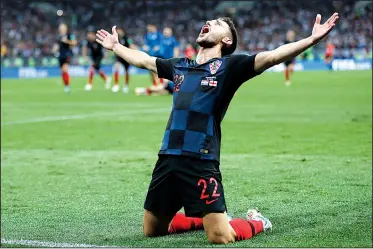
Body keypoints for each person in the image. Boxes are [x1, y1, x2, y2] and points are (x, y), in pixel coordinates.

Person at [96, 13, 339, 244]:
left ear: (227, 40)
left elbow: (273, 56)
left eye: (217, 23)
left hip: (200, 160)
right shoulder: (181, 66)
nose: (209, 22)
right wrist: (116, 47)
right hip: (168, 157)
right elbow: (144, 60)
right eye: (210, 21)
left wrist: (311, 39)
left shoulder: (230, 68)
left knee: (221, 237)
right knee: (152, 231)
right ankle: (205, 220)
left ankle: (256, 222)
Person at [53, 23, 77, 92]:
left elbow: (74, 43)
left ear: (66, 28)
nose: (61, 29)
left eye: (62, 27)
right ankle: (66, 85)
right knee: (62, 72)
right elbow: (57, 45)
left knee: (65, 69)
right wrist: (54, 49)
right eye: (60, 28)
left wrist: (66, 41)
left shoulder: (70, 35)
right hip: (60, 55)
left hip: (67, 54)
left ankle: (67, 86)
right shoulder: (58, 37)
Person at [112, 27, 136, 93]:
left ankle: (126, 85)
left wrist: (133, 53)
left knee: (127, 71)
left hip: (126, 56)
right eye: (117, 31)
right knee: (116, 68)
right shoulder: (116, 38)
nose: (118, 32)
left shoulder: (127, 38)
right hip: (119, 56)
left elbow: (131, 45)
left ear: (122, 31)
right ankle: (116, 85)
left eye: (119, 30)